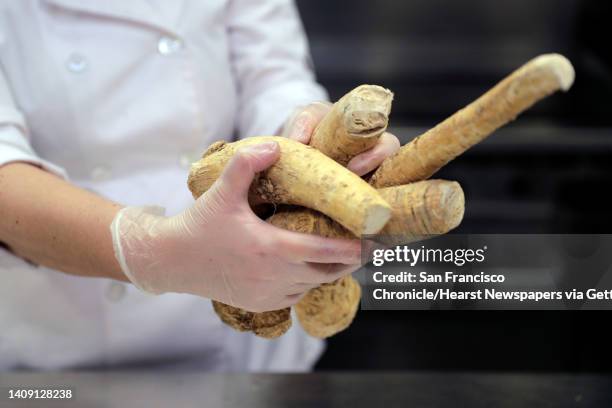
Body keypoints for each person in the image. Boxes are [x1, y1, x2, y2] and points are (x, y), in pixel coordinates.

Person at [0, 0, 400, 371]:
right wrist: (153, 250)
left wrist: (313, 128)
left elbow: (273, 77)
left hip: (246, 338)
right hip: (61, 342)